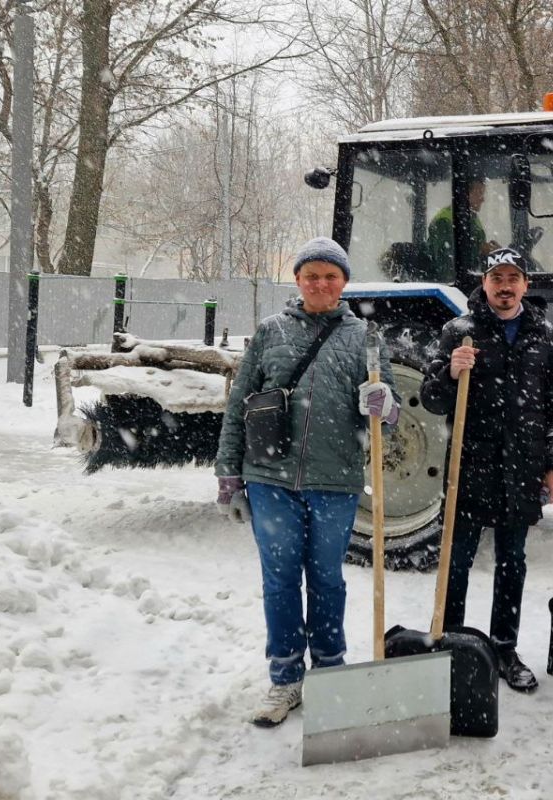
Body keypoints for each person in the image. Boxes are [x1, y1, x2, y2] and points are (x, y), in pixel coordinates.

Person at [215, 237, 401, 727]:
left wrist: (385, 406)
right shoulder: (270, 332)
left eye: (331, 276)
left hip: (334, 478)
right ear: (297, 281)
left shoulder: (366, 337)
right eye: (311, 275)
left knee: (325, 580)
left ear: (343, 283)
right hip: (269, 477)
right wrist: (229, 477)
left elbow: (391, 412)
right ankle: (284, 679)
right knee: (279, 581)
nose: (321, 284)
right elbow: (239, 405)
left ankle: (330, 669)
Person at [419, 246, 553, 693]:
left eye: (513, 277)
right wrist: (448, 373)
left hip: (521, 467)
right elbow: (431, 398)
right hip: (470, 464)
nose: (505, 285)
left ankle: (504, 647)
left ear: (525, 284)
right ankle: (452, 643)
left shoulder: (542, 334)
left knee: (512, 562)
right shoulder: (458, 331)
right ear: (485, 283)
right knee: (457, 559)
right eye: (496, 277)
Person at [426, 178, 500, 277]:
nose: (483, 199)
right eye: (480, 193)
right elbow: (445, 262)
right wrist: (480, 249)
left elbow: (476, 259)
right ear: (466, 194)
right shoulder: (444, 221)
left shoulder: (473, 219)